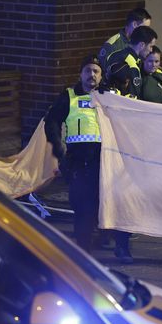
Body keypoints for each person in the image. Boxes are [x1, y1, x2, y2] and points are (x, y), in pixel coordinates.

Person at [44, 55, 105, 254]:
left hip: (102, 159)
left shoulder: (108, 97)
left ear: (101, 75)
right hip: (78, 160)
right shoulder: (69, 96)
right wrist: (58, 147)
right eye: (88, 70)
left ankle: (98, 237)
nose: (92, 75)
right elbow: (52, 121)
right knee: (81, 204)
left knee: (100, 203)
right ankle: (83, 245)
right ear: (80, 74)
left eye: (96, 71)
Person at [105, 25, 158, 99]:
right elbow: (131, 98)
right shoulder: (131, 64)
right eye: (151, 46)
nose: (151, 50)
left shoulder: (114, 54)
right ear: (142, 45)